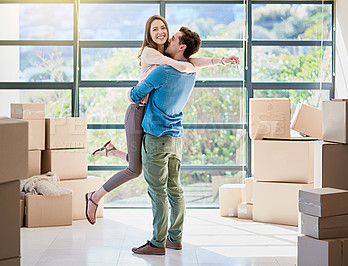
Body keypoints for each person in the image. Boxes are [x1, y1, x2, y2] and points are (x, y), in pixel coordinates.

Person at [85, 15, 239, 225]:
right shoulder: (152, 53)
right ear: (148, 33)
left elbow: (190, 61)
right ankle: (94, 197)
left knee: (139, 163)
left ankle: (111, 151)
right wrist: (188, 66)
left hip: (147, 110)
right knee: (134, 169)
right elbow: (180, 64)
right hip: (137, 109)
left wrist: (219, 61)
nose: (162, 34)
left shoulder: (166, 53)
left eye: (165, 29)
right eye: (155, 29)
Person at [130, 26, 201, 255]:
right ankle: (175, 239)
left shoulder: (162, 71)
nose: (168, 39)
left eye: (173, 39)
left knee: (157, 191)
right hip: (176, 137)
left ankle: (157, 243)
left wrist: (136, 87)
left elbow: (135, 94)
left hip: (156, 136)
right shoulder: (191, 71)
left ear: (181, 47)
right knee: (175, 189)